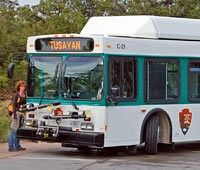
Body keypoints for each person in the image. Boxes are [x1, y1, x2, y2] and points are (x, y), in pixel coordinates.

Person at [8, 80, 26, 152]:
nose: (23, 88)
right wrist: (14, 115)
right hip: (16, 113)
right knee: (14, 130)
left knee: (19, 130)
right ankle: (11, 146)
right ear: (19, 87)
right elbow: (14, 105)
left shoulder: (25, 95)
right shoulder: (16, 95)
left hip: (22, 113)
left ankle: (17, 145)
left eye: (24, 86)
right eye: (21, 86)